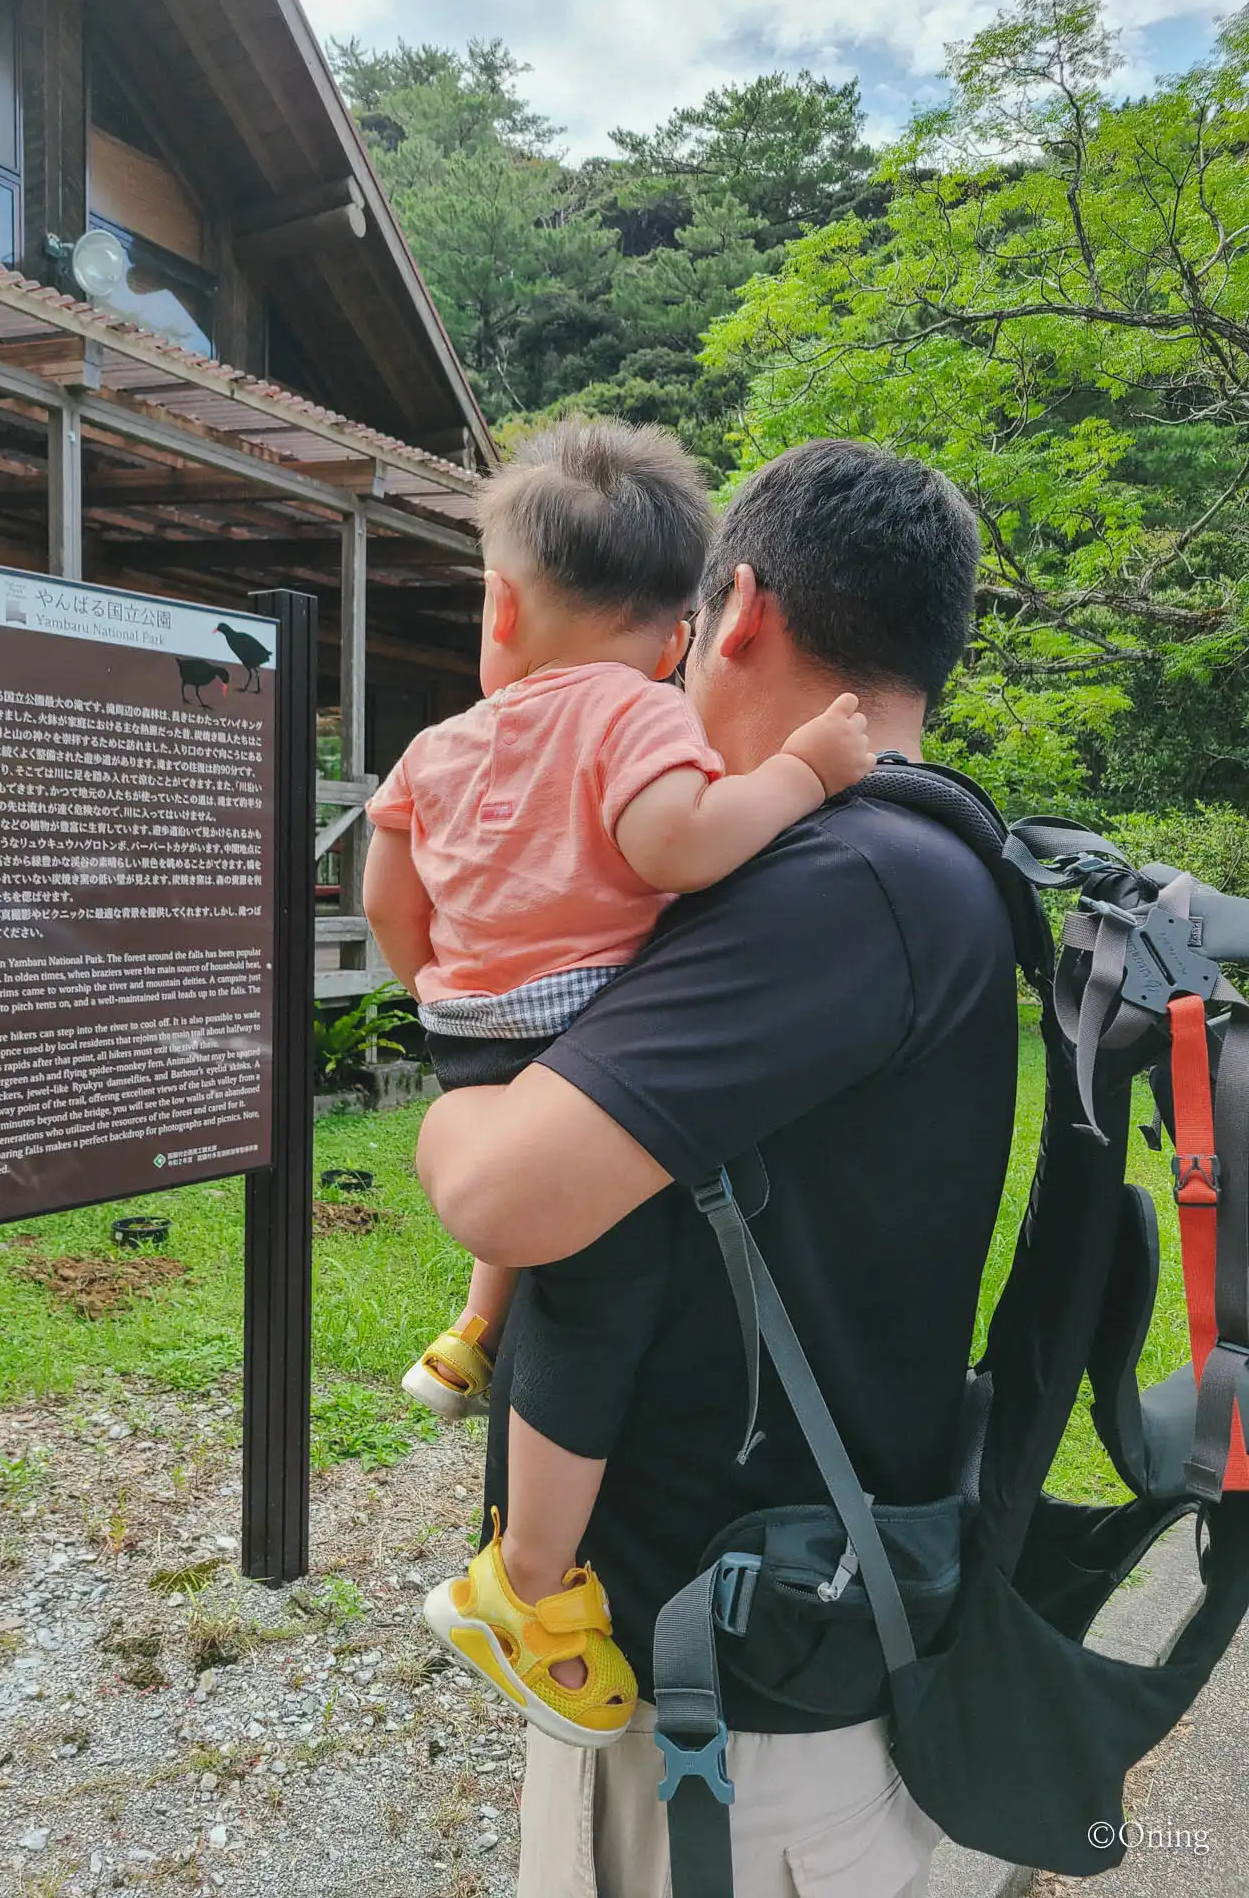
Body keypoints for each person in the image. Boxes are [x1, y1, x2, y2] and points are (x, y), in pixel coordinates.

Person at [414, 438, 1020, 1897]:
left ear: (732, 613)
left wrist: (450, 1115)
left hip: (741, 1722)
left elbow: (503, 1193)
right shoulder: (891, 865)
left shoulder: (841, 886)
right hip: (739, 1643)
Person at [362, 421, 874, 1749]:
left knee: (524, 1206)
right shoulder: (636, 709)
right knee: (602, 1298)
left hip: (470, 1028)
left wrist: (436, 983)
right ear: (676, 637)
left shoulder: (437, 747)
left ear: (501, 609)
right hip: (587, 1034)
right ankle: (525, 1583)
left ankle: (472, 1331)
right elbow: (682, 845)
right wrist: (801, 776)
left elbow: (385, 891)